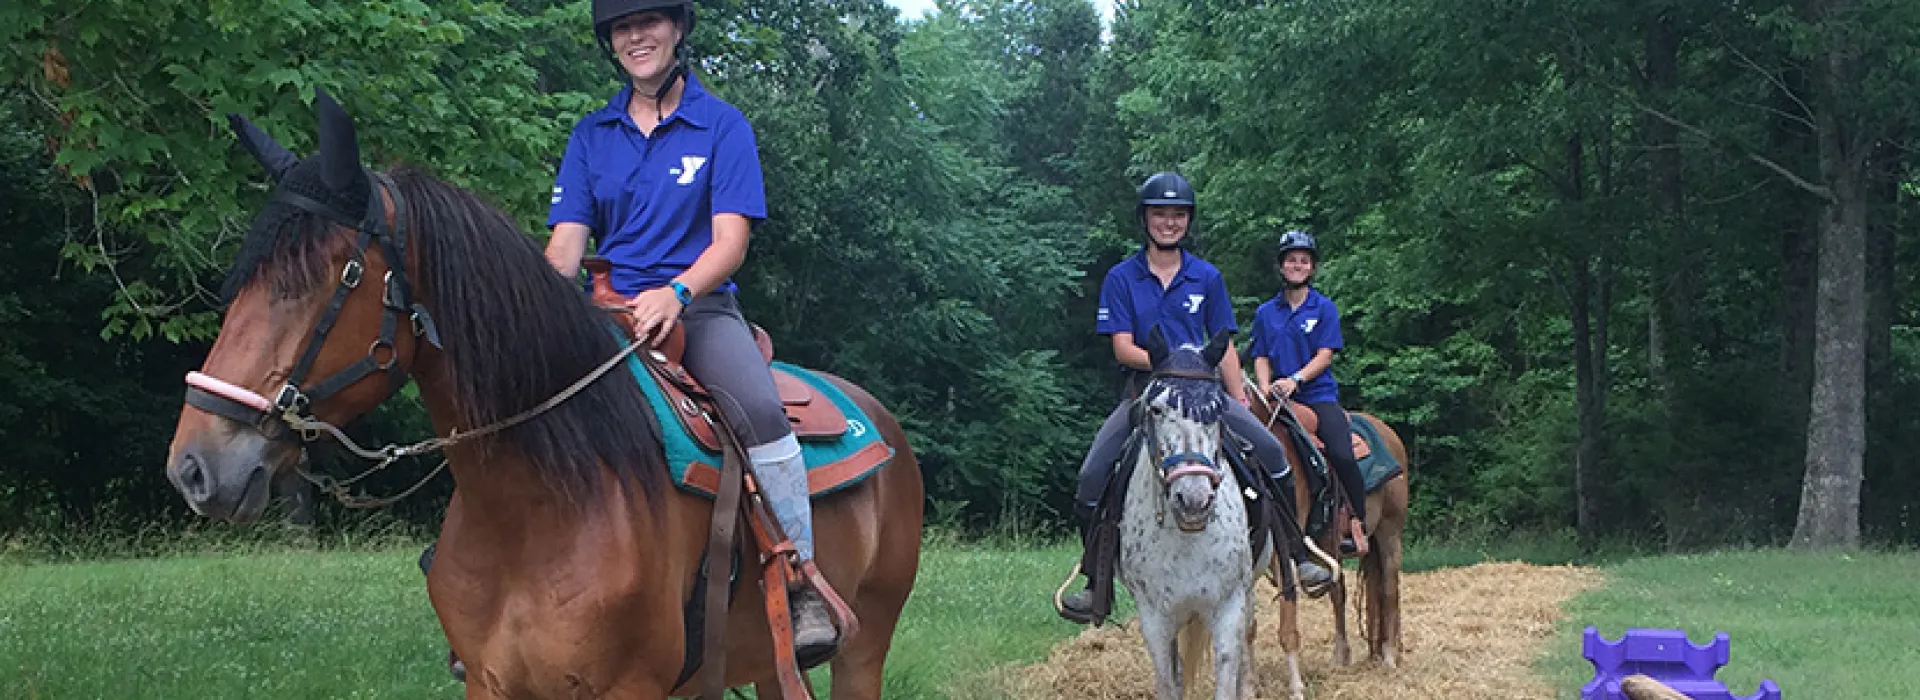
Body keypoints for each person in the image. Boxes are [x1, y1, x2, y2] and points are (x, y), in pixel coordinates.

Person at [544, 0, 837, 656]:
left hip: (697, 307)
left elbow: (730, 243)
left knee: (760, 410)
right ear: (609, 42)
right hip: (603, 311)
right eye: (622, 27)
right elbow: (565, 249)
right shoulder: (591, 134)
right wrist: (527, 306)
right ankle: (492, 572)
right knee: (514, 400)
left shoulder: (722, 127)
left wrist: (675, 293)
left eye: (648, 21)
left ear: (677, 28)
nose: (635, 36)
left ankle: (799, 579)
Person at [1056, 173, 1334, 625]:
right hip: (1145, 394)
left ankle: (1298, 554)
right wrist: (1177, 366)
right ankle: (1095, 580)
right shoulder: (1121, 277)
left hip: (1205, 397)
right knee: (1092, 475)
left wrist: (1238, 400)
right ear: (1145, 218)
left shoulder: (1207, 277)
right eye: (1160, 214)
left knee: (1270, 453)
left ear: (1189, 221)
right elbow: (1124, 348)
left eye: (1178, 214)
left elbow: (1222, 345)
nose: (1169, 222)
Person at [1248, 230, 1366, 554]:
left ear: (1312, 268)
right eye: (1291, 260)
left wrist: (1295, 380)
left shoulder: (1323, 308)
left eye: (1304, 260)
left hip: (1317, 396)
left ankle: (1356, 520)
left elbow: (1325, 355)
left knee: (1341, 453)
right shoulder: (1265, 313)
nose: (1297, 265)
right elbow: (1260, 355)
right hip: (1277, 399)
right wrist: (1262, 389)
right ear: (1281, 266)